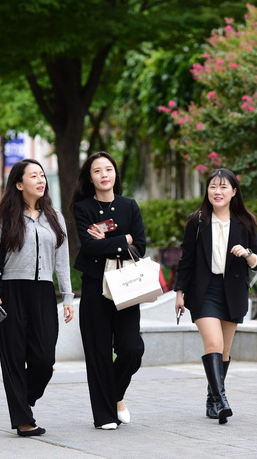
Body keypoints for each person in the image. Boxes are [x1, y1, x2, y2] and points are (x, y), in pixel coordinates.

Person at [0, 159, 75, 437]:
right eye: (33, 176)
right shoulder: (4, 216)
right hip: (11, 291)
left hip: (43, 292)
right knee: (13, 357)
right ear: (20, 184)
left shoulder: (55, 217)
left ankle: (25, 399)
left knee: (44, 359)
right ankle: (24, 420)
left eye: (42, 175)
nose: (40, 180)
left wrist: (68, 295)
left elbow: (62, 260)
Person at [174, 168, 257, 424]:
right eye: (213, 186)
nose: (218, 191)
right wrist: (180, 292)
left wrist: (246, 253)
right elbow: (187, 259)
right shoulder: (197, 221)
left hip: (232, 292)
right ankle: (222, 400)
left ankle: (212, 399)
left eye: (224, 187)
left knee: (224, 350)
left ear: (234, 192)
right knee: (213, 344)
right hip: (203, 291)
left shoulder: (244, 222)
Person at [71, 151, 146, 430]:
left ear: (115, 174)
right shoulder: (83, 208)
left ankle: (114, 395)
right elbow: (88, 247)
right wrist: (122, 239)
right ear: (90, 178)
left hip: (127, 285)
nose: (104, 175)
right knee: (98, 352)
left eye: (108, 169)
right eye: (97, 171)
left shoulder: (130, 206)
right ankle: (104, 415)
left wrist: (113, 240)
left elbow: (140, 245)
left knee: (132, 348)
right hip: (94, 287)